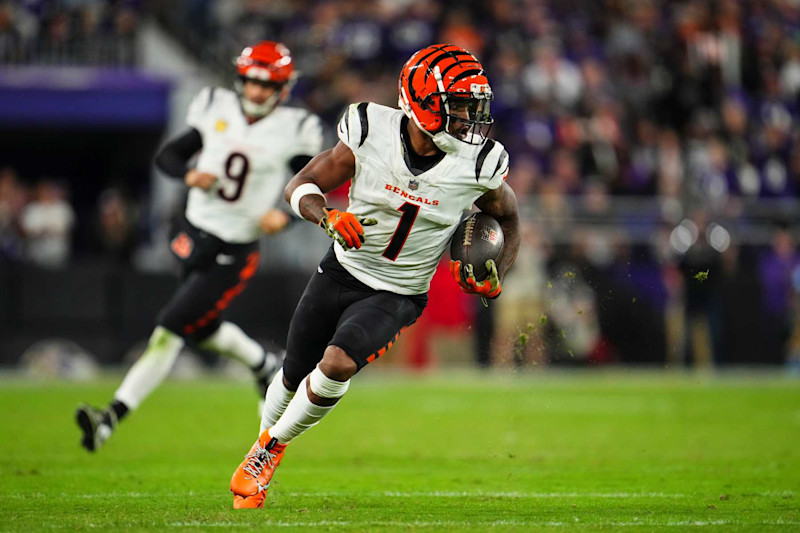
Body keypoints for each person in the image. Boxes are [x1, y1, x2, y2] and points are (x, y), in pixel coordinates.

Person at [228, 44, 520, 509]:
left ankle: (266, 452)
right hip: (340, 270)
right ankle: (263, 448)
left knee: (338, 363)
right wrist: (326, 217)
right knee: (289, 377)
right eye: (459, 107)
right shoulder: (370, 129)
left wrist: (497, 273)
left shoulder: (478, 163)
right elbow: (300, 186)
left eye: (472, 107)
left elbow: (509, 217)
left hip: (399, 292)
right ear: (423, 103)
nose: (469, 120)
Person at [75, 41, 324, 452]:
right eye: (251, 81)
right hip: (194, 232)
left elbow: (314, 183)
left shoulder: (295, 127)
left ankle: (109, 417)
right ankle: (263, 365)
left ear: (283, 87)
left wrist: (287, 215)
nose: (257, 91)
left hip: (236, 247)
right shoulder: (214, 105)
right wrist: (190, 174)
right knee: (202, 325)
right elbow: (169, 157)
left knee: (170, 327)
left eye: (267, 84)